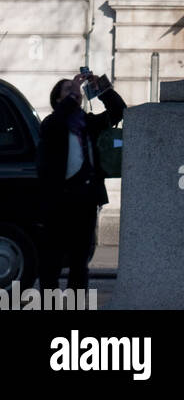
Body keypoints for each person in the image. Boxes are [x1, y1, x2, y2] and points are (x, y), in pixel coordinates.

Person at [36, 71, 125, 290]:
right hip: (59, 200)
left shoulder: (88, 123)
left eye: (76, 91)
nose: (74, 93)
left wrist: (102, 87)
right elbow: (57, 121)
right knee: (52, 261)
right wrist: (73, 94)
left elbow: (118, 112)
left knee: (79, 261)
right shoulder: (52, 123)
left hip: (86, 200)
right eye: (68, 90)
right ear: (58, 99)